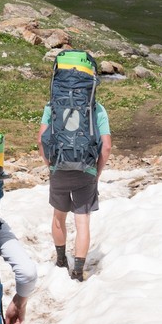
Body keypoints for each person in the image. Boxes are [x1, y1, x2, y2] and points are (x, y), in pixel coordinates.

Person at [40, 83, 111, 281]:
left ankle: (61, 261)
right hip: (86, 169)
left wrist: (50, 166)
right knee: (82, 221)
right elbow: (106, 146)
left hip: (58, 168)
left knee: (58, 217)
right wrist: (96, 173)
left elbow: (40, 140)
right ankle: (78, 271)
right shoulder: (96, 108)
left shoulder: (52, 105)